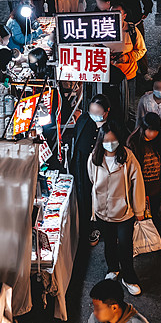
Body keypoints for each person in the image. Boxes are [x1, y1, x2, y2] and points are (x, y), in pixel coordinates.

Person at [88, 120, 146, 294]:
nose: (110, 144)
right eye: (106, 140)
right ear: (101, 140)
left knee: (125, 246)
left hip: (124, 212)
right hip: (102, 211)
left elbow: (137, 184)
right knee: (109, 244)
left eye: (113, 140)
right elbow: (92, 179)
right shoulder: (94, 157)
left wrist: (139, 210)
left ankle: (129, 278)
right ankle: (113, 269)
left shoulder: (127, 157)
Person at [72, 95, 111, 246]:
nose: (93, 114)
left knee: (103, 197)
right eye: (91, 111)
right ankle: (88, 228)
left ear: (106, 111)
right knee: (86, 196)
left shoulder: (111, 126)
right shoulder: (84, 121)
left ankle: (103, 227)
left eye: (98, 111)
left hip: (103, 168)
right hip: (84, 167)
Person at [111, 3, 146, 126]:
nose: (113, 16)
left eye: (117, 13)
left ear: (124, 16)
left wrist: (126, 57)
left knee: (129, 106)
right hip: (107, 76)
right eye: (111, 13)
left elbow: (141, 50)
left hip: (128, 75)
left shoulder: (131, 30)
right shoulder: (100, 29)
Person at [113, 0, 153, 76]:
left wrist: (146, 12)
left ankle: (144, 72)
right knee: (122, 48)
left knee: (140, 48)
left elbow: (148, 1)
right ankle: (122, 70)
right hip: (121, 26)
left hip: (136, 23)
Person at [127, 113, 161, 233]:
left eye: (155, 131)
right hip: (140, 190)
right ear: (144, 128)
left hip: (156, 189)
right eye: (150, 130)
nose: (153, 134)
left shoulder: (159, 141)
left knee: (155, 219)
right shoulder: (134, 143)